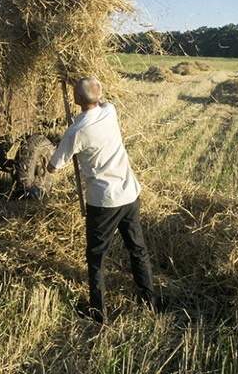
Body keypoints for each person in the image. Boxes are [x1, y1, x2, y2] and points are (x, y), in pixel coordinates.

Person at [47, 77, 156, 323]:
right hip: (129, 194)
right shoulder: (110, 112)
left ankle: (98, 312)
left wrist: (53, 161)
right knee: (138, 250)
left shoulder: (76, 131)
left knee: (96, 258)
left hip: (104, 203)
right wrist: (80, 84)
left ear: (76, 99)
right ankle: (150, 300)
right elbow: (97, 97)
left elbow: (54, 167)